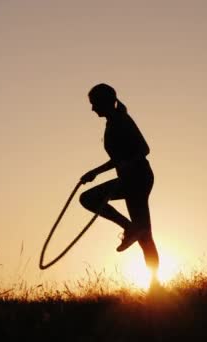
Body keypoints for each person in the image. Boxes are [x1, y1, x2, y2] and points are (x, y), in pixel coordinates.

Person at [79, 83, 160, 277]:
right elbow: (118, 159)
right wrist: (95, 172)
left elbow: (144, 149)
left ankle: (130, 228)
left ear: (104, 101)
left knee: (88, 199)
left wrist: (126, 164)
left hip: (137, 178)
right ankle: (155, 284)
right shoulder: (114, 121)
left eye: (94, 103)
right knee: (144, 234)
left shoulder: (121, 120)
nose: (92, 108)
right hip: (133, 179)